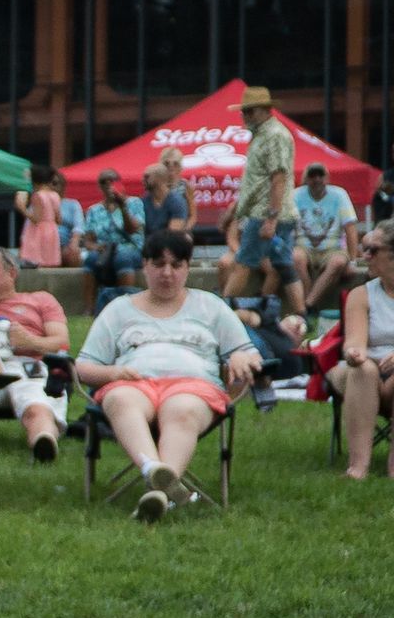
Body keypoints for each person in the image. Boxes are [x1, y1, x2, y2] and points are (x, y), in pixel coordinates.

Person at [75, 228, 262, 523]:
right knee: (122, 399)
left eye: (176, 265)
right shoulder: (119, 310)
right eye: (159, 265)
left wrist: (240, 355)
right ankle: (157, 474)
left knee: (182, 409)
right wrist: (115, 372)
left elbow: (248, 353)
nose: (167, 273)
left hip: (194, 386)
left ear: (187, 268)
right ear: (144, 266)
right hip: (134, 382)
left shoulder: (210, 306)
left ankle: (158, 490)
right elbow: (83, 366)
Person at [0, 248, 71, 462]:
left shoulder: (40, 300)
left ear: (12, 273)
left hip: (26, 366)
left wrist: (29, 341)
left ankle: (43, 442)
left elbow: (61, 342)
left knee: (35, 406)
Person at [221, 86, 305, 315]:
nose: (246, 116)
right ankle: (304, 317)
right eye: (244, 111)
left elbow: (278, 177)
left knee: (243, 263)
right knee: (284, 266)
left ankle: (222, 313)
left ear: (267, 110)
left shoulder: (275, 135)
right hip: (272, 213)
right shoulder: (262, 135)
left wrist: (271, 218)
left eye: (251, 111)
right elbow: (259, 181)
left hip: (265, 213)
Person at [333, 220, 394, 479]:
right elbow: (355, 341)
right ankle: (358, 467)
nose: (364, 255)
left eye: (372, 249)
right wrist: (354, 353)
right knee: (363, 370)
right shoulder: (362, 294)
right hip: (364, 373)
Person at [292, 162, 361, 311]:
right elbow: (286, 224)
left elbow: (350, 228)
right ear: (306, 179)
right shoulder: (296, 195)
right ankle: (309, 305)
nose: (316, 179)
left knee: (338, 262)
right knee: (295, 258)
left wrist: (353, 260)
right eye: (312, 176)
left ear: (327, 178)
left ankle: (308, 305)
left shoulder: (339, 194)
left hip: (333, 247)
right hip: (303, 246)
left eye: (320, 175)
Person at [82, 168, 145, 307]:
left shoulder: (134, 203)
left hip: (129, 248)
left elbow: (132, 230)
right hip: (104, 250)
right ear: (99, 186)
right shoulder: (94, 210)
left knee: (122, 258)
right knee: (90, 259)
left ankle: (125, 306)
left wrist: (122, 207)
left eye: (112, 181)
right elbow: (88, 240)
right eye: (104, 182)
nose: (109, 185)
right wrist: (97, 247)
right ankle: (88, 308)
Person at [17, 164, 63, 268]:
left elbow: (36, 219)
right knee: (50, 262)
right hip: (52, 230)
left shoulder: (38, 195)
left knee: (38, 261)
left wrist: (22, 208)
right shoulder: (55, 195)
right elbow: (59, 219)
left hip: (39, 231)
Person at [158, 146, 198, 234]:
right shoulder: (156, 185)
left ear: (180, 166)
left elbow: (193, 215)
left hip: (181, 230)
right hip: (159, 230)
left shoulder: (185, 186)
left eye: (175, 164)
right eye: (167, 164)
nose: (171, 167)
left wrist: (185, 230)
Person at [55, 171, 86, 267]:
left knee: (72, 254)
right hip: (43, 244)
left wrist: (74, 243)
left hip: (65, 243)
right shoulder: (38, 203)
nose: (52, 187)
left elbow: (79, 227)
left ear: (63, 186)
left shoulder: (72, 204)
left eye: (55, 183)